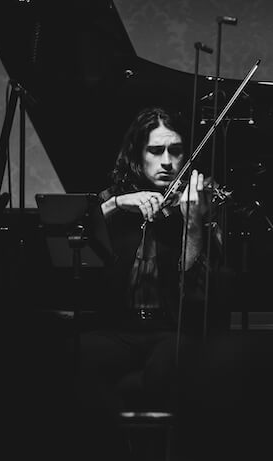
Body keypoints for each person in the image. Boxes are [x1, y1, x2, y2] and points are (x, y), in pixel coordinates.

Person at [71, 107, 223, 457]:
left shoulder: (198, 204)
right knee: (75, 355)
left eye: (176, 150)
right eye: (156, 151)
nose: (167, 161)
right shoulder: (115, 199)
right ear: (138, 155)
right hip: (119, 328)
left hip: (173, 327)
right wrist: (116, 205)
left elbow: (197, 296)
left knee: (168, 367)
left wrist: (196, 225)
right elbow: (77, 236)